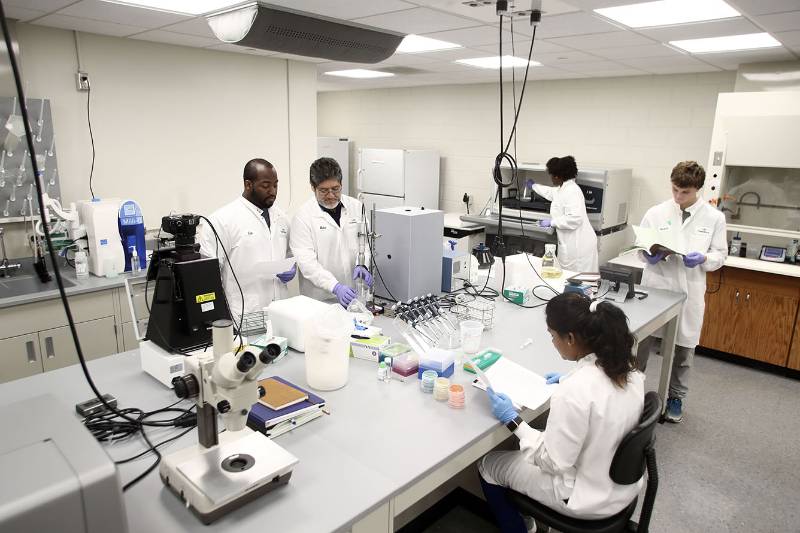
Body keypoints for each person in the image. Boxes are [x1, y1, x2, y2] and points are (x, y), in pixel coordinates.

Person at [479, 293, 645, 532]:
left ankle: (524, 528)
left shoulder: (574, 391)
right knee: (530, 444)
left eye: (552, 336)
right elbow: (600, 396)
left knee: (489, 465)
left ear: (570, 338)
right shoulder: (628, 368)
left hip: (584, 498)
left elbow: (553, 463)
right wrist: (569, 378)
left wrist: (514, 422)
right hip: (621, 487)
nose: (552, 342)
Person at [636, 161, 727, 423]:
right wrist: (647, 255)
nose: (678, 197)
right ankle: (630, 393)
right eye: (675, 190)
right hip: (656, 286)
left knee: (684, 349)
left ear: (697, 189)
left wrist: (704, 259)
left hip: (689, 291)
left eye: (685, 192)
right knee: (641, 344)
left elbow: (720, 255)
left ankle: (676, 397)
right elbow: (641, 246)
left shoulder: (714, 218)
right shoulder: (656, 212)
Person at [198, 158, 295, 318]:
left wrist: (291, 268)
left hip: (280, 312)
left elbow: (290, 254)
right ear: (248, 184)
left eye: (276, 185)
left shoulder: (282, 218)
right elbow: (209, 273)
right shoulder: (222, 220)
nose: (273, 191)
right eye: (266, 185)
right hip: (244, 314)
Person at [290, 157, 372, 307]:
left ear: (341, 184)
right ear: (312, 187)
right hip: (319, 300)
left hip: (354, 296)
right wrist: (335, 287)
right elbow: (307, 263)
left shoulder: (356, 207)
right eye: (323, 190)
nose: (330, 195)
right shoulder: (302, 217)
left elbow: (365, 244)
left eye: (335, 189)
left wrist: (363, 265)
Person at [532, 156, 598, 272]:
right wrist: (533, 186)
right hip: (569, 244)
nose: (551, 178)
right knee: (567, 279)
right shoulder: (562, 188)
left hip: (579, 247)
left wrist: (551, 223)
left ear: (558, 176)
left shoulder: (572, 191)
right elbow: (550, 192)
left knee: (579, 281)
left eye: (551, 175)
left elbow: (575, 219)